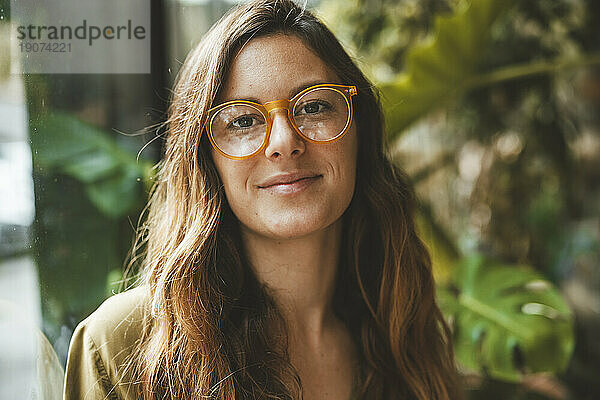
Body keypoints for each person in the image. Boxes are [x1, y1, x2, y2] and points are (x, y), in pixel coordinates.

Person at [63, 0, 463, 399]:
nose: (284, 142)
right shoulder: (121, 345)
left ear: (360, 131)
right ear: (206, 159)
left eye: (314, 106)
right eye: (243, 120)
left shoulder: (402, 326)